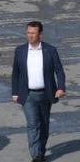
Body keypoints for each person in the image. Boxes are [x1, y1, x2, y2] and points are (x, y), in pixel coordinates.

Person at [11, 21, 66, 162]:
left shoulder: (50, 50)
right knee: (33, 124)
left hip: (46, 94)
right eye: (28, 33)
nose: (30, 36)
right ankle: (35, 155)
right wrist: (15, 93)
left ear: (40, 34)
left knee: (44, 124)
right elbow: (15, 73)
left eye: (33, 33)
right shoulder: (20, 50)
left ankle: (40, 152)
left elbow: (59, 70)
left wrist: (61, 87)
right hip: (27, 94)